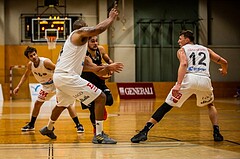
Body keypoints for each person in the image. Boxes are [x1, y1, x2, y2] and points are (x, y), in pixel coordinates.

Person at [39, 7, 123, 144]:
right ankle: (99, 135)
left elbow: (87, 66)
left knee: (62, 104)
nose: (89, 31)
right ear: (83, 29)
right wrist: (111, 19)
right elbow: (98, 29)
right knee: (101, 97)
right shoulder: (78, 34)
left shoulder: (76, 46)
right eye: (87, 29)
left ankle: (48, 128)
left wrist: (104, 68)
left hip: (61, 77)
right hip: (67, 77)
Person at [131, 30, 228, 143]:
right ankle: (216, 132)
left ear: (187, 39)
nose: (178, 41)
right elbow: (224, 62)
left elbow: (184, 64)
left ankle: (144, 131)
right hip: (205, 80)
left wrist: (178, 84)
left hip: (190, 79)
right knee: (210, 104)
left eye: (180, 38)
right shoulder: (206, 49)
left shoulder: (182, 50)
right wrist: (224, 70)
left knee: (166, 106)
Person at [13, 46, 84, 133]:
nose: (34, 57)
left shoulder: (45, 62)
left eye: (34, 54)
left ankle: (78, 125)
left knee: (67, 104)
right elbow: (25, 75)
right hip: (46, 87)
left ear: (36, 53)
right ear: (28, 58)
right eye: (31, 56)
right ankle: (31, 124)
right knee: (37, 104)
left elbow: (58, 70)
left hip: (56, 84)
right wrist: (18, 86)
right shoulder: (30, 65)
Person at [81, 36, 114, 135]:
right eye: (92, 41)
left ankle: (101, 106)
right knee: (92, 110)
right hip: (87, 83)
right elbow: (94, 68)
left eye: (96, 41)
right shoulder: (83, 53)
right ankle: (97, 131)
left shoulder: (101, 49)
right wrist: (105, 67)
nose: (95, 43)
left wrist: (111, 66)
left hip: (99, 82)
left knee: (110, 100)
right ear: (87, 42)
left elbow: (108, 60)